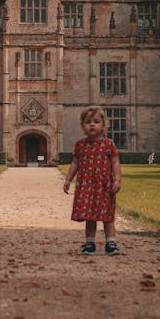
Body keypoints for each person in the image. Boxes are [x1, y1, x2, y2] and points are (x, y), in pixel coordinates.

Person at [63, 106, 122, 256]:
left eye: (96, 121)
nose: (92, 124)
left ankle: (111, 243)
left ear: (103, 125)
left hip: (104, 186)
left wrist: (117, 180)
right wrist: (68, 179)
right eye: (88, 122)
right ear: (82, 126)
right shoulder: (80, 145)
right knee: (89, 216)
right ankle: (90, 243)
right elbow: (75, 162)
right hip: (86, 186)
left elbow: (115, 162)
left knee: (107, 215)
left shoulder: (108, 144)